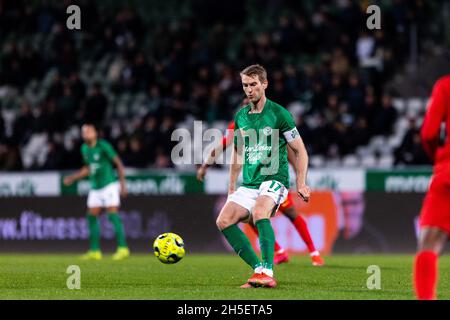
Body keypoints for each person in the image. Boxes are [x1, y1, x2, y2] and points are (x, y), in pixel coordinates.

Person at [215, 64, 311, 288]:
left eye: (253, 84)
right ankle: (258, 269)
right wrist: (231, 188)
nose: (249, 90)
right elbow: (238, 153)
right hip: (250, 183)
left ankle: (267, 272)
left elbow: (300, 150)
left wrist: (301, 182)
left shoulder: (279, 114)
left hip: (274, 180)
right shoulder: (241, 117)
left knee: (259, 213)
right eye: (245, 85)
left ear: (264, 84)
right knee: (224, 220)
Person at [197, 120, 324, 266]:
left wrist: (299, 179)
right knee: (250, 217)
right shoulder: (237, 124)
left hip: (273, 179)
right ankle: (278, 253)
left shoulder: (271, 120)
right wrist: (205, 166)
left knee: (290, 213)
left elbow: (289, 150)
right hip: (253, 182)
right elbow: (221, 146)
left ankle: (314, 253)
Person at [63, 124, 130, 261]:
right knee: (91, 216)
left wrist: (123, 185)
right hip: (95, 187)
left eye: (89, 131)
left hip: (109, 185)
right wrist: (73, 178)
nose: (86, 134)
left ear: (95, 133)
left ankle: (123, 248)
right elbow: (88, 168)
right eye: (84, 132)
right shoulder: (84, 148)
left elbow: (118, 163)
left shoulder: (103, 146)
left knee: (112, 215)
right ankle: (95, 251)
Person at [414, 76, 450, 300]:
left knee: (428, 243)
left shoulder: (445, 85)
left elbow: (428, 133)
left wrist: (440, 159)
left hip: (447, 172)